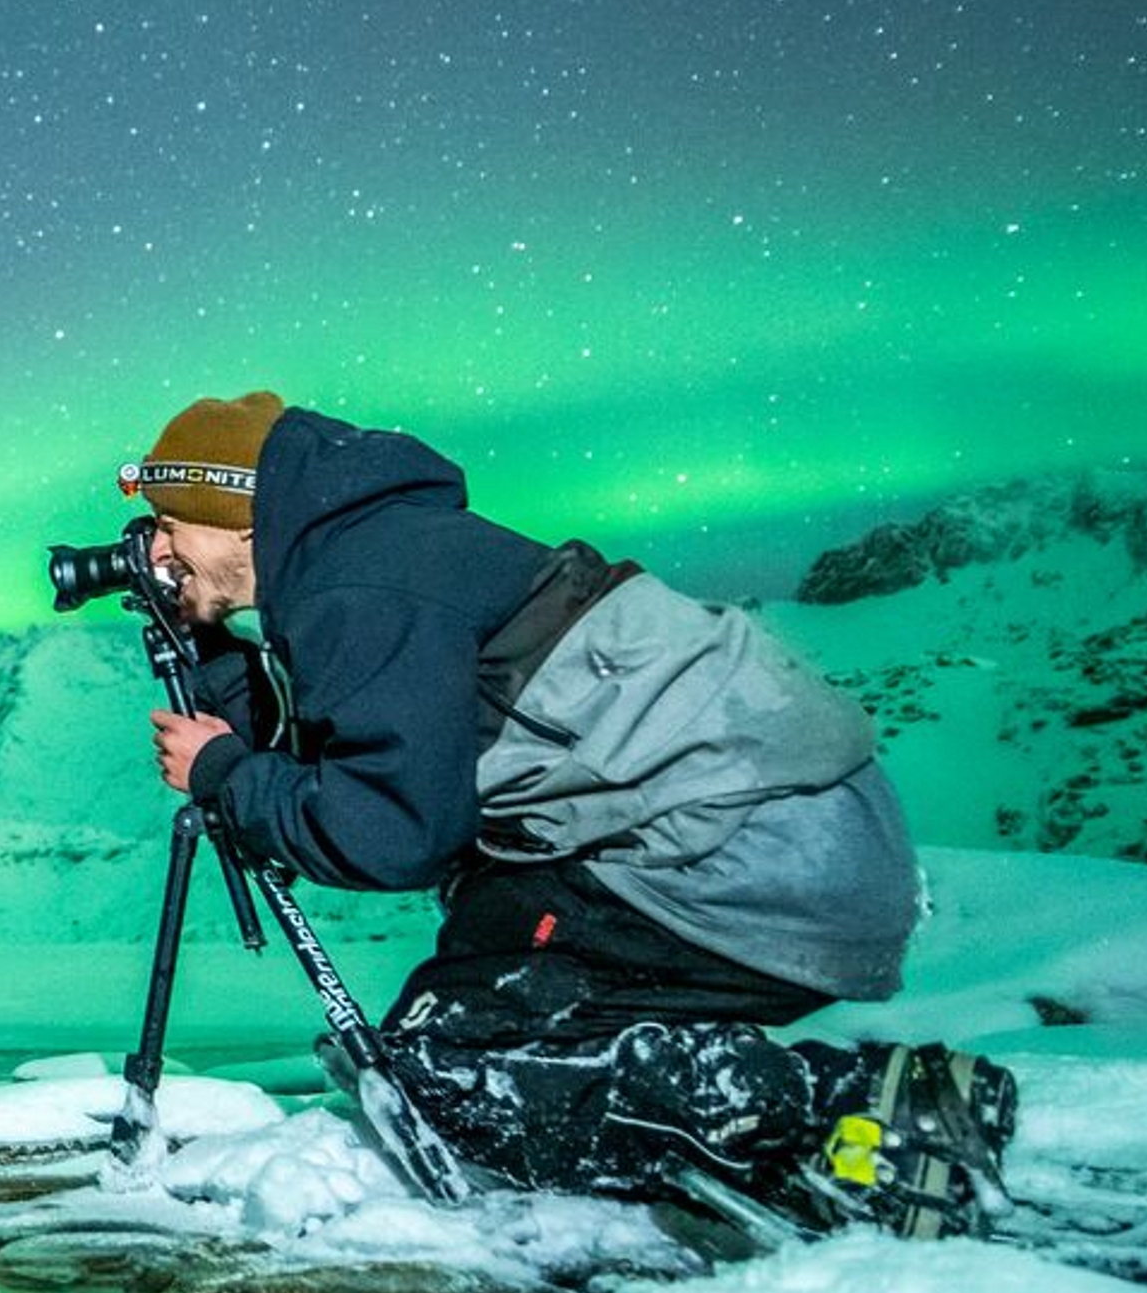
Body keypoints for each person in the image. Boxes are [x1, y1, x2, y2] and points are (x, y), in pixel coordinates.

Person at [121, 391, 1017, 1236]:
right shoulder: (377, 551)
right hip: (767, 847)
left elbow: (392, 834)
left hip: (741, 861)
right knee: (456, 1032)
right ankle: (722, 1128)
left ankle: (850, 1110)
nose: (158, 552)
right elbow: (341, 759)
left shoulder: (354, 585)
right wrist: (206, 653)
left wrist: (225, 774)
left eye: (169, 527)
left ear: (235, 508)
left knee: (437, 1083)